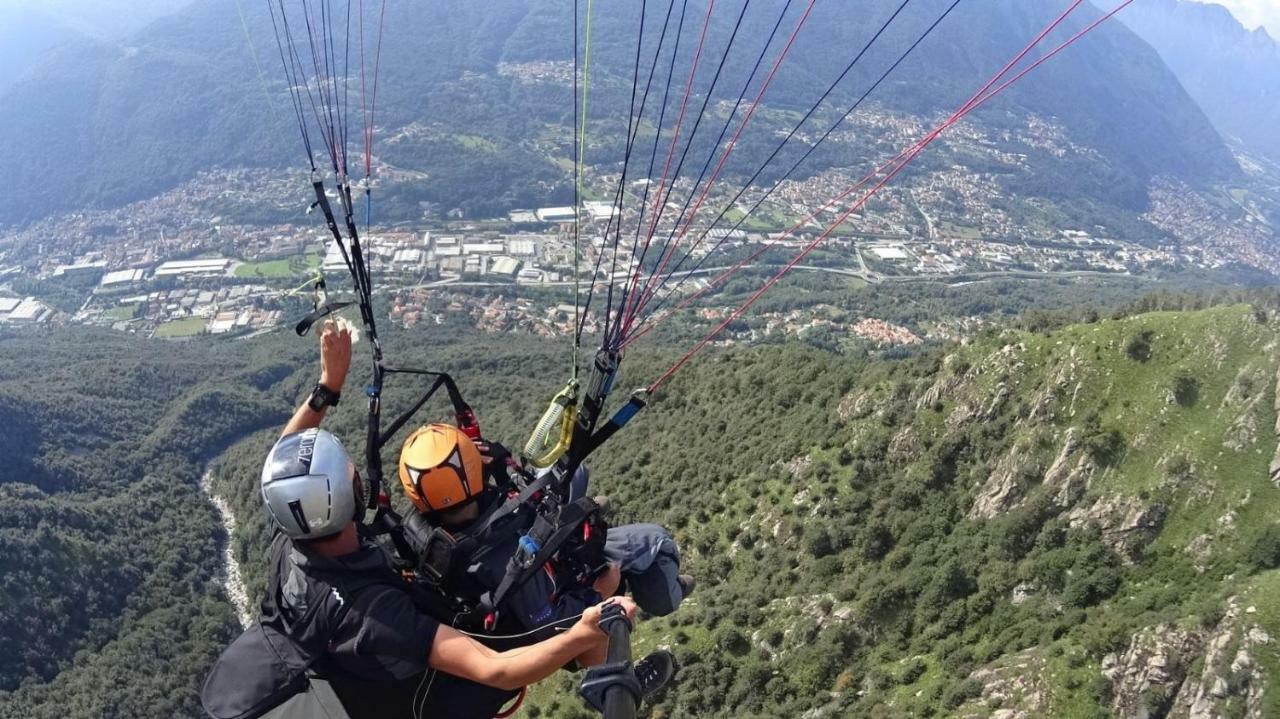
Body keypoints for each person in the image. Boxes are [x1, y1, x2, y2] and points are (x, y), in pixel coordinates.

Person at [205, 320, 664, 719]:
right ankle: (611, 680)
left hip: (351, 665)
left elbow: (286, 460)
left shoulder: (295, 539)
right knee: (602, 586)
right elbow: (495, 670)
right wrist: (585, 627)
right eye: (349, 473)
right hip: (440, 698)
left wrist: (329, 387)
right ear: (349, 498)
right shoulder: (374, 615)